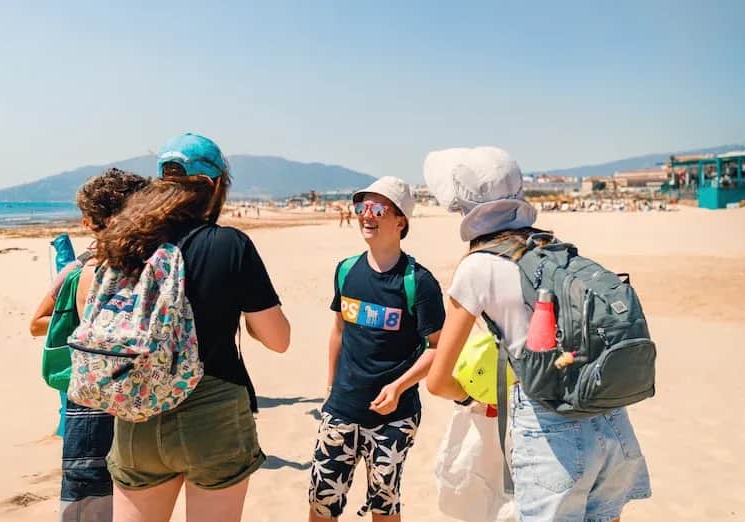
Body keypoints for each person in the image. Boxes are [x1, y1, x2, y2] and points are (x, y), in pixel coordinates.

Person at [423, 147, 651, 522]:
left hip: (551, 430)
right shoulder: (551, 246)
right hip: (610, 419)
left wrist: (472, 400)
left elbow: (438, 381)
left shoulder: (477, 267)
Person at [93, 133, 291, 522]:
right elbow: (278, 339)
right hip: (212, 411)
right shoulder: (230, 245)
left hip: (137, 409)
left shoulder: (127, 242)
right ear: (217, 186)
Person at [308, 177, 445, 522]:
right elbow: (338, 331)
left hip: (394, 419)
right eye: (361, 207)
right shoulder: (346, 271)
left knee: (384, 507)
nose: (366, 215)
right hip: (341, 408)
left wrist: (399, 386)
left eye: (377, 208)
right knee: (321, 504)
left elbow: (437, 348)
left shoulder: (420, 282)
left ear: (401, 221)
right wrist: (329, 389)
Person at [29, 168, 150, 522]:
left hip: (90, 401)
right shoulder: (163, 267)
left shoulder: (87, 271)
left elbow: (37, 324)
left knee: (90, 501)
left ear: (86, 221)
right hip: (139, 400)